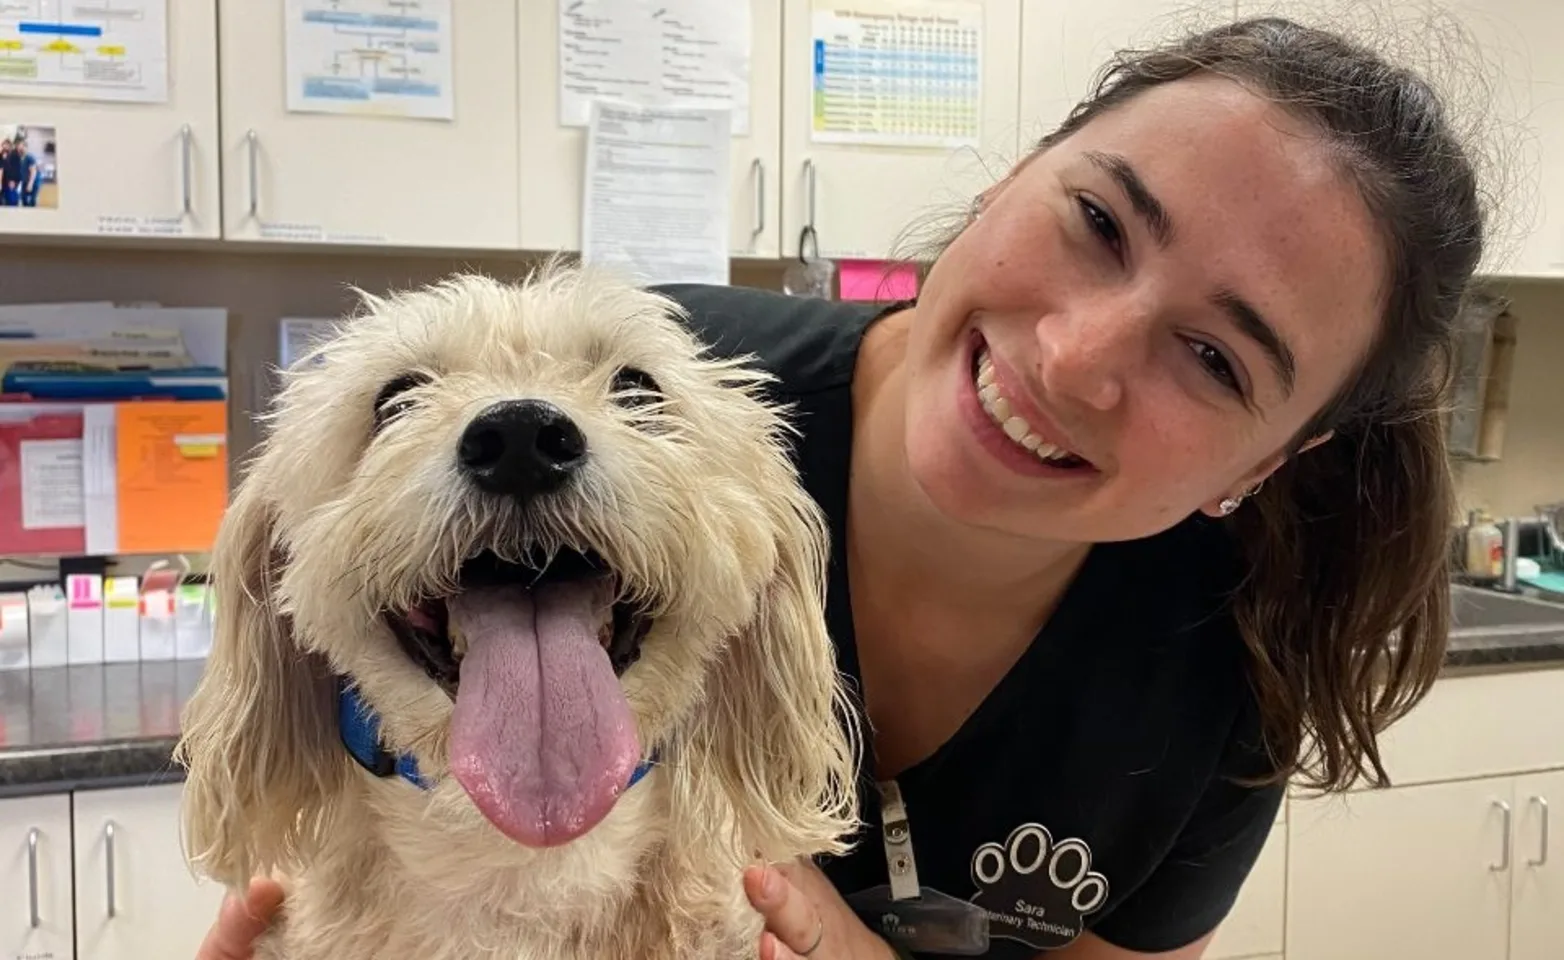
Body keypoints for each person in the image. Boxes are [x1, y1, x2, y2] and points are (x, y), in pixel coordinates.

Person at [197, 13, 1487, 960]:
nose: (1073, 358)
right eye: (1096, 222)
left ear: (1269, 464)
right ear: (1007, 180)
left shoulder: (1239, 654)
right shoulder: (664, 362)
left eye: (1212, 358)